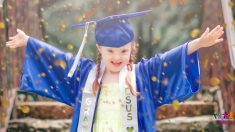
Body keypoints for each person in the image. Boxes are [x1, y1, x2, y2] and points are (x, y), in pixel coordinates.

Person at [6, 10, 224, 132]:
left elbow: (168, 60)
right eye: (111, 51)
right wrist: (30, 42)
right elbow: (59, 60)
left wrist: (197, 44)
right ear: (100, 48)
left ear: (131, 49)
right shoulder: (85, 73)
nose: (117, 57)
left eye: (123, 51)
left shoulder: (142, 74)